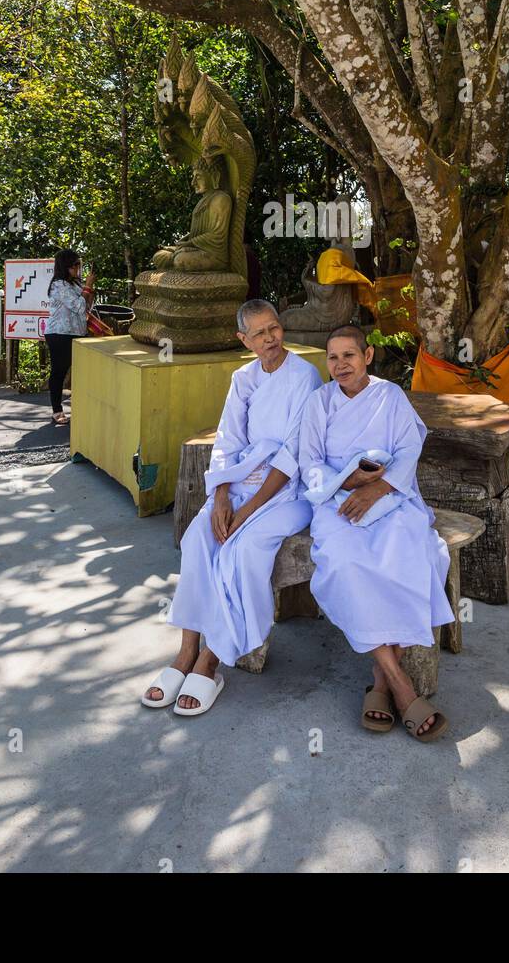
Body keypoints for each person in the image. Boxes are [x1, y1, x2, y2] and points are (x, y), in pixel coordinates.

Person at [142, 300, 322, 716]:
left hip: (287, 494)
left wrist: (245, 514)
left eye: (274, 328)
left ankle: (213, 660)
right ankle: (186, 651)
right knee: (197, 540)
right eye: (259, 334)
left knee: (241, 549)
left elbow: (292, 455)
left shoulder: (305, 377)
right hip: (238, 483)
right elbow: (227, 442)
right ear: (245, 340)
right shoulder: (243, 378)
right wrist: (221, 496)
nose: (270, 339)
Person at [299, 325, 454, 742]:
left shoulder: (390, 396)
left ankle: (381, 682)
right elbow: (309, 462)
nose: (340, 365)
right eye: (332, 357)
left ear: (368, 355)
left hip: (392, 499)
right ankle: (400, 685)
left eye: (348, 355)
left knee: (411, 555)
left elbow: (408, 450)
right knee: (347, 564)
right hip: (338, 502)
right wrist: (347, 483)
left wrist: (379, 488)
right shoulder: (320, 402)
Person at [43, 249, 95, 425]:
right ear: (65, 267)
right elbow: (78, 306)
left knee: (82, 371)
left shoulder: (74, 284)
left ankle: (80, 406)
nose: (77, 269)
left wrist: (87, 288)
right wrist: (88, 286)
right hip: (60, 333)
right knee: (59, 371)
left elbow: (87, 305)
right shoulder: (58, 285)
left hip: (78, 332)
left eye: (79, 265)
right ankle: (57, 410)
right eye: (74, 265)